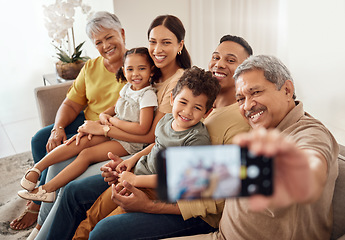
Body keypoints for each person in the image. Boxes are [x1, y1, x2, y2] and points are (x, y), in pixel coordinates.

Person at [45, 35, 253, 240]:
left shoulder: (239, 121)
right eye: (216, 57)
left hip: (182, 203)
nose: (219, 64)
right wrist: (128, 163)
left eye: (231, 60)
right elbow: (158, 142)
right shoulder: (198, 96)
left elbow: (211, 195)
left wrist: (148, 205)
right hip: (145, 173)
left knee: (103, 230)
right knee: (74, 193)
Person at [33, 14, 192, 240]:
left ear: (180, 45)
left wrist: (105, 129)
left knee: (73, 190)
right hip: (130, 149)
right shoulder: (152, 73)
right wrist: (102, 120)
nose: (157, 49)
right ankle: (40, 223)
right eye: (153, 42)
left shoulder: (177, 82)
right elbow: (122, 102)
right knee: (58, 160)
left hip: (141, 156)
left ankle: (44, 230)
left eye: (166, 42)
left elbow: (152, 136)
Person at [165, 55, 339, 240]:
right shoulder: (264, 128)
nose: (247, 105)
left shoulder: (310, 132)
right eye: (240, 99)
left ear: (287, 90)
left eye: (255, 92)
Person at [9, 11, 127, 231]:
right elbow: (71, 104)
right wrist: (57, 128)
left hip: (108, 129)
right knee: (39, 139)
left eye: (110, 37)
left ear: (121, 34)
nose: (106, 45)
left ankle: (39, 202)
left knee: (69, 150)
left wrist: (100, 127)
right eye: (98, 42)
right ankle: (38, 193)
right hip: (86, 120)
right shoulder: (91, 67)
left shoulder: (138, 66)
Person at [73, 66, 221, 239]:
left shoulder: (197, 139)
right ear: (172, 99)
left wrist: (135, 180)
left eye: (197, 107)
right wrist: (133, 160)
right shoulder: (166, 120)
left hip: (154, 189)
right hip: (136, 174)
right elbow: (157, 144)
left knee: (107, 224)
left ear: (207, 112)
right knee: (93, 215)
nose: (187, 112)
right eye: (183, 102)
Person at [17, 47, 159, 203]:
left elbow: (142, 128)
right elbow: (116, 107)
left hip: (129, 142)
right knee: (79, 141)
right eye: (130, 69)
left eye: (142, 69)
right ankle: (37, 168)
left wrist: (113, 121)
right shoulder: (127, 88)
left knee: (86, 155)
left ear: (151, 71)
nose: (135, 74)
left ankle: (47, 190)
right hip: (113, 130)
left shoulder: (147, 95)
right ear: (124, 71)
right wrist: (105, 114)